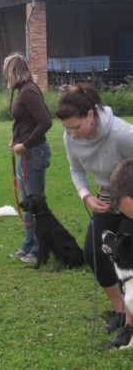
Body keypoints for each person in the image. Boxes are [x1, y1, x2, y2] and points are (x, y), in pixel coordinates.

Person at [55, 83, 133, 348]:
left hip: (131, 198)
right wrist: (86, 195)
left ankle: (130, 329)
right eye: (67, 129)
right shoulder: (71, 138)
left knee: (128, 259)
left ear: (91, 115)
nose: (72, 134)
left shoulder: (122, 134)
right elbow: (76, 169)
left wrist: (126, 200)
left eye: (76, 127)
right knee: (94, 253)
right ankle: (120, 311)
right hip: (103, 198)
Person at [3, 52, 52, 264]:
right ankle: (28, 244)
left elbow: (45, 121)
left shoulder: (28, 91)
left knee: (35, 203)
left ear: (13, 71)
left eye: (6, 71)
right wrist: (16, 140)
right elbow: (27, 122)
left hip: (34, 153)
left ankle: (38, 249)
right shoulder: (22, 90)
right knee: (27, 202)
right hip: (26, 152)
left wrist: (26, 144)